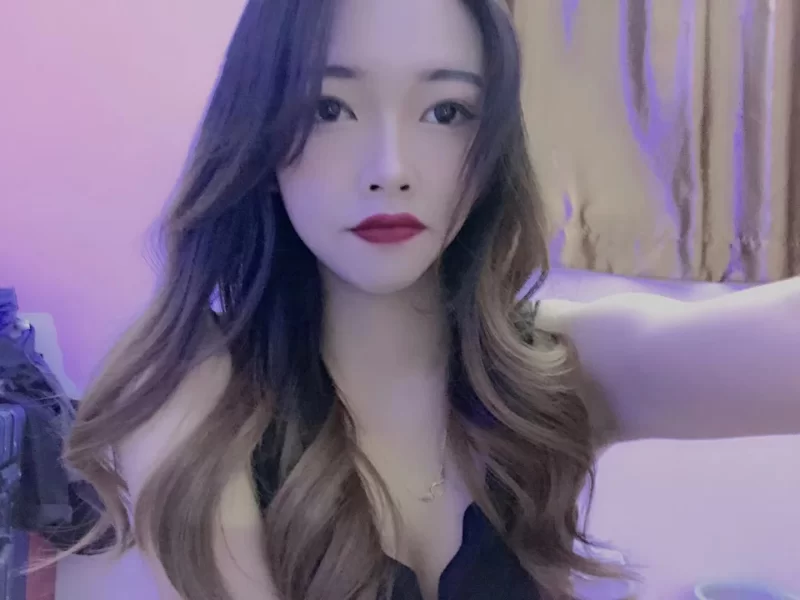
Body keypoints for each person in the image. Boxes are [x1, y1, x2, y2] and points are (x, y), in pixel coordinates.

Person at [59, 0, 800, 599]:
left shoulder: (547, 369)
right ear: (259, 130)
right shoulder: (197, 399)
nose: (391, 168)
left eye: (446, 112)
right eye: (328, 108)